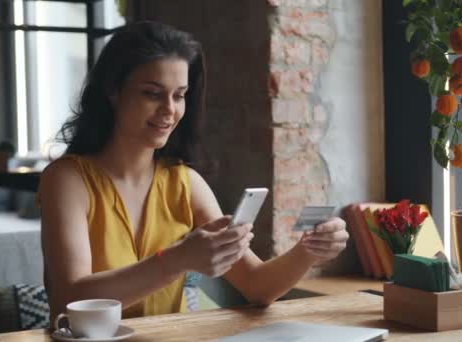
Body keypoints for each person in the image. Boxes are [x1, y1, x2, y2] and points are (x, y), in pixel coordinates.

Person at [38, 21, 349, 322]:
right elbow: (70, 299)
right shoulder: (67, 180)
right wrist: (177, 259)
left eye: (179, 95)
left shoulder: (184, 182)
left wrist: (308, 251)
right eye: (152, 93)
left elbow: (257, 286)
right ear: (113, 91)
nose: (170, 110)